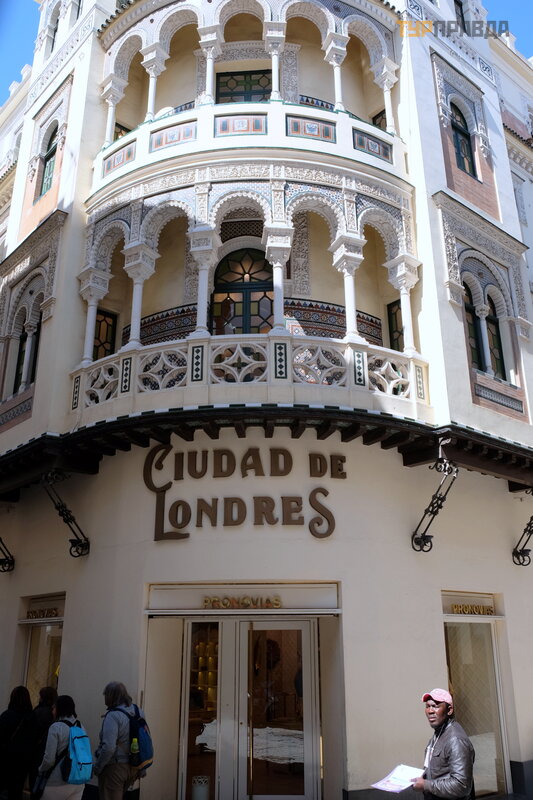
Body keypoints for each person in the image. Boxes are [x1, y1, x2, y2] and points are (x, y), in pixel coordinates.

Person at [412, 688, 475, 800]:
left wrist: (426, 785)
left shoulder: (455, 740)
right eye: (427, 706)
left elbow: (461, 785)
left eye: (435, 706)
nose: (430, 711)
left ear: (449, 710)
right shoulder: (439, 733)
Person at [93, 682, 139, 800]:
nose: (104, 698)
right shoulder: (137, 711)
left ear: (111, 696)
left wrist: (98, 768)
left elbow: (109, 748)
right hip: (134, 767)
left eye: (105, 695)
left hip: (115, 768)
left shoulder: (113, 716)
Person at [37, 695, 85, 800]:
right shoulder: (80, 726)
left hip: (57, 781)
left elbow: (49, 760)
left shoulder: (56, 727)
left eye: (54, 708)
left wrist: (40, 769)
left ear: (59, 709)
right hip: (78, 782)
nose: (52, 711)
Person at [0, 685, 38, 800]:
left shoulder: (7, 715)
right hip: (24, 761)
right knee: (16, 790)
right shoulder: (33, 717)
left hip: (6, 758)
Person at [30, 687, 58, 798]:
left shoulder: (38, 712)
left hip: (37, 753)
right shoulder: (54, 714)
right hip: (50, 754)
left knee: (34, 784)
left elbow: (33, 733)